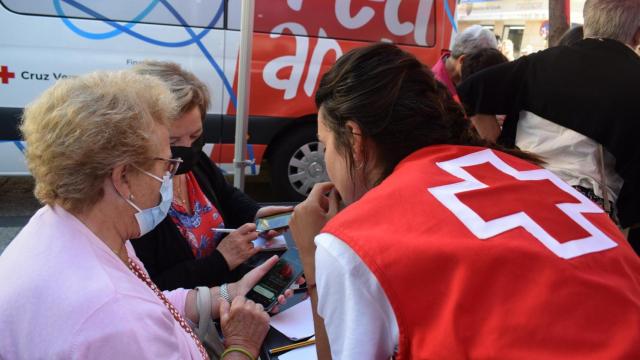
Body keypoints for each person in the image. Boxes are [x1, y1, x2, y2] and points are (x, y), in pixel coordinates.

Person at [289, 43, 640, 359]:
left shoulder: (353, 241)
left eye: (325, 143)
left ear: (355, 139)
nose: (327, 161)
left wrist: (313, 256)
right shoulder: (528, 172)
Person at [0, 71, 290, 359]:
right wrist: (242, 344)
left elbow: (152, 298)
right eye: (166, 163)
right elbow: (132, 314)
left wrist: (228, 294)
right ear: (123, 177)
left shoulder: (75, 223)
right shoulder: (118, 322)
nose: (172, 173)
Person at [458, 0, 640, 233]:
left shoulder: (538, 63)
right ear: (637, 34)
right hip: (585, 220)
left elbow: (472, 91)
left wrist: (495, 147)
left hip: (516, 196)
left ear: (587, 23)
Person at [130, 61, 291, 291]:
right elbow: (151, 287)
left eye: (195, 135)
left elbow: (226, 195)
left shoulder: (196, 164)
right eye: (173, 142)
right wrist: (221, 260)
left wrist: (257, 215)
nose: (187, 148)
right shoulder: (133, 200)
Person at [431, 24, 497, 100]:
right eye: (480, 67)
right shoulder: (434, 90)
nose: (481, 74)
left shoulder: (459, 77)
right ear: (463, 61)